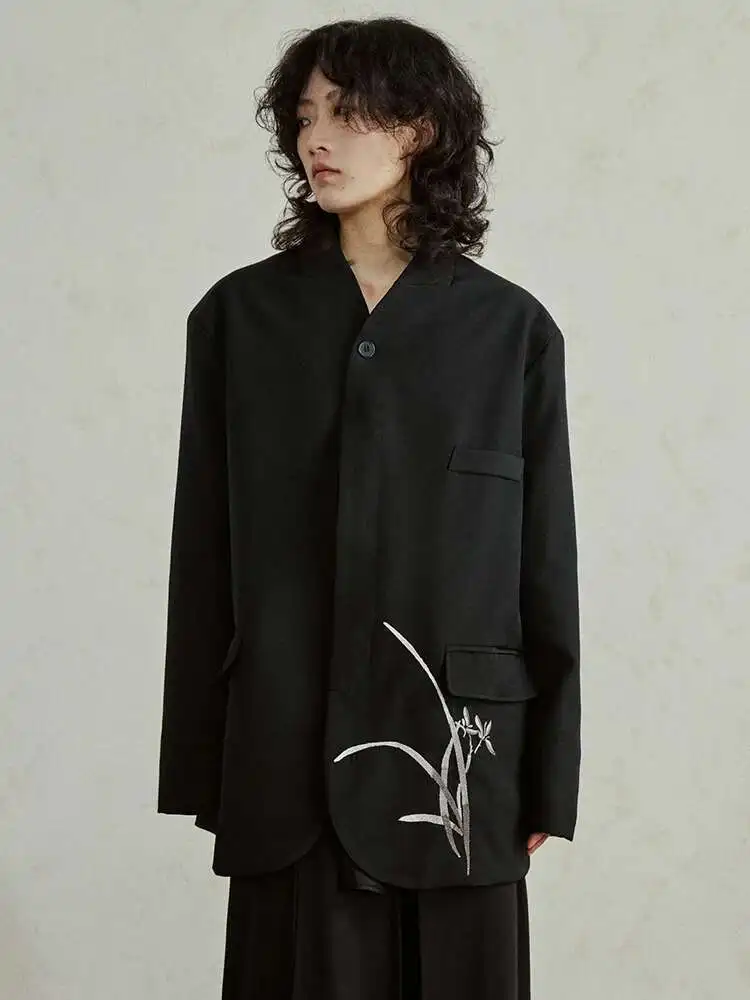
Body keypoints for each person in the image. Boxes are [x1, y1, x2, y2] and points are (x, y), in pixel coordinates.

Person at [157, 15, 580, 1000]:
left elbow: (543, 563)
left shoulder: (509, 331)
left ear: (420, 130)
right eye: (305, 116)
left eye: (347, 114)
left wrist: (548, 776)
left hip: (458, 760)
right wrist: (206, 763)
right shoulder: (239, 319)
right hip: (287, 750)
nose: (317, 137)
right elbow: (202, 551)